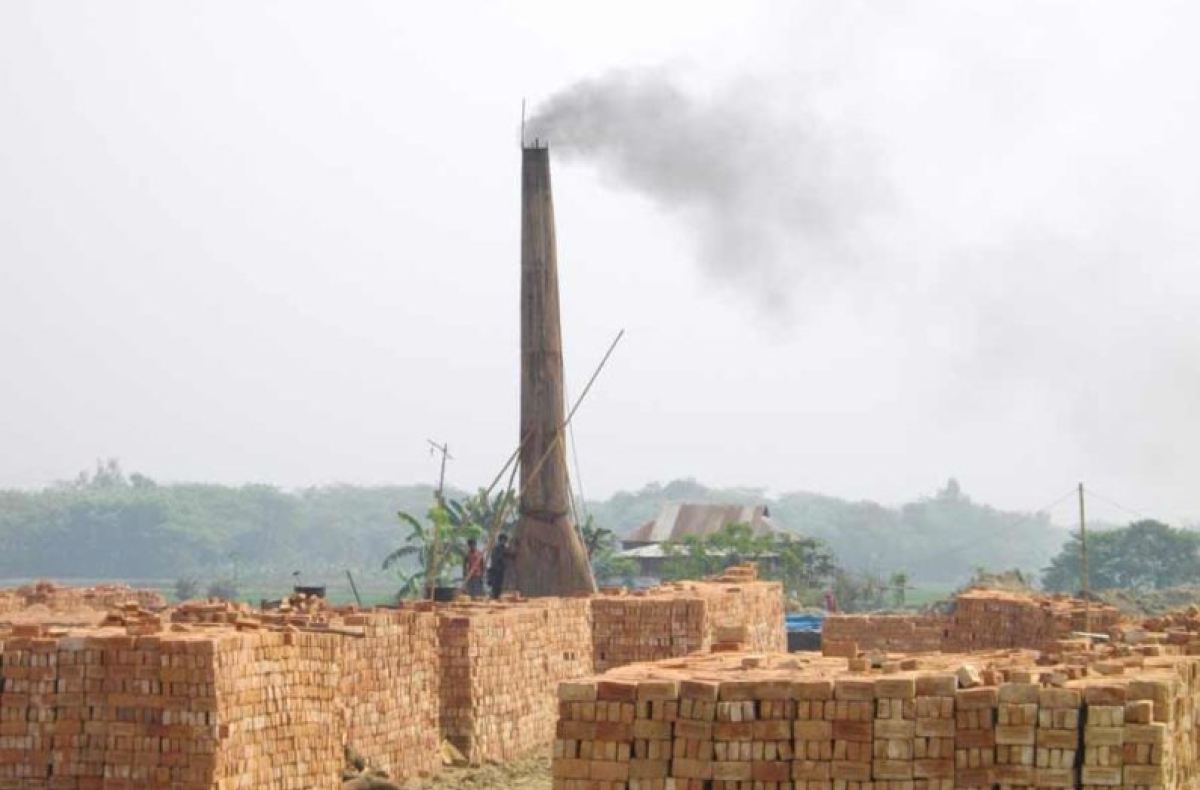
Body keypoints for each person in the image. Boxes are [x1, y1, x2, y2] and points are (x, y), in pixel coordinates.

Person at [487, 534, 516, 600]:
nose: (505, 542)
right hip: (496, 569)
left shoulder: (501, 548)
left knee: (499, 584)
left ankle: (496, 596)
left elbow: (508, 554)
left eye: (505, 540)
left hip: (499, 569)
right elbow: (505, 554)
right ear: (500, 540)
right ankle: (494, 596)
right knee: (496, 584)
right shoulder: (498, 548)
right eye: (504, 540)